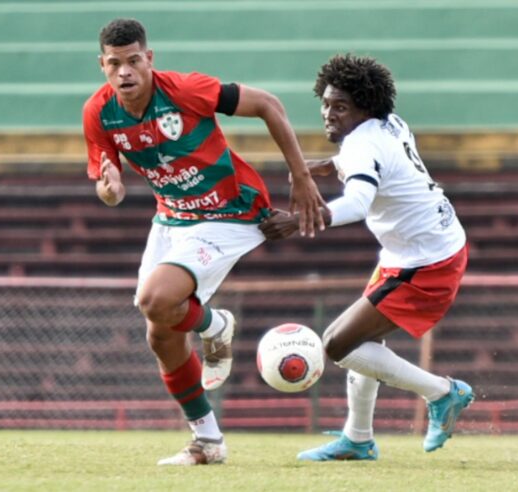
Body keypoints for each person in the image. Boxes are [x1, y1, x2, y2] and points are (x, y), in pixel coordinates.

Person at [82, 18, 325, 465]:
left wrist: (301, 175)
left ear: (148, 58)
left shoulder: (187, 90)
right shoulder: (98, 113)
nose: (125, 72)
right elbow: (107, 181)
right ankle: (208, 442)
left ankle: (214, 325)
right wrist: (110, 188)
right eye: (114, 64)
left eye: (133, 61)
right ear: (102, 65)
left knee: (155, 299)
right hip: (172, 218)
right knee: (159, 331)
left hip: (227, 212)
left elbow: (268, 105)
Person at [259, 53, 473, 460]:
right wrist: (329, 165)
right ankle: (357, 439)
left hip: (427, 261)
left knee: (338, 344)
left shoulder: (361, 144)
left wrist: (297, 220)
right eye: (324, 103)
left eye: (339, 106)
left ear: (364, 107)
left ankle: (444, 393)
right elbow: (379, 160)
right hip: (420, 246)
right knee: (363, 340)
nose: (328, 113)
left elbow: (358, 202)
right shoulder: (389, 123)